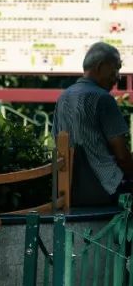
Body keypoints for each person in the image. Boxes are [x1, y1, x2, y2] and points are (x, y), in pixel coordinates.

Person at [55, 42, 133, 206]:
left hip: (70, 190)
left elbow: (57, 143)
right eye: (115, 69)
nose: (118, 76)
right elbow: (122, 156)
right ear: (101, 66)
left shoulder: (63, 98)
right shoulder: (103, 99)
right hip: (106, 188)